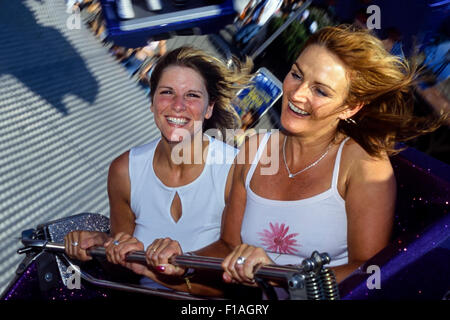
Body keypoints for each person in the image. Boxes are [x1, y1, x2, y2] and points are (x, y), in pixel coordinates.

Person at [143, 25, 446, 298]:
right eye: (297, 74)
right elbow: (227, 247)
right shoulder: (254, 150)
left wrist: (279, 274)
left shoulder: (364, 167)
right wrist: (182, 262)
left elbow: (369, 274)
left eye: (320, 91)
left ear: (350, 107)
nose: (297, 94)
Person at [64, 46, 252, 295]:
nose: (178, 105)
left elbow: (235, 277)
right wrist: (103, 245)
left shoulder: (236, 170)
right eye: (167, 92)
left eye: (192, 96)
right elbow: (119, 272)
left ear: (209, 108)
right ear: (152, 101)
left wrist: (173, 270)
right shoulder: (124, 171)